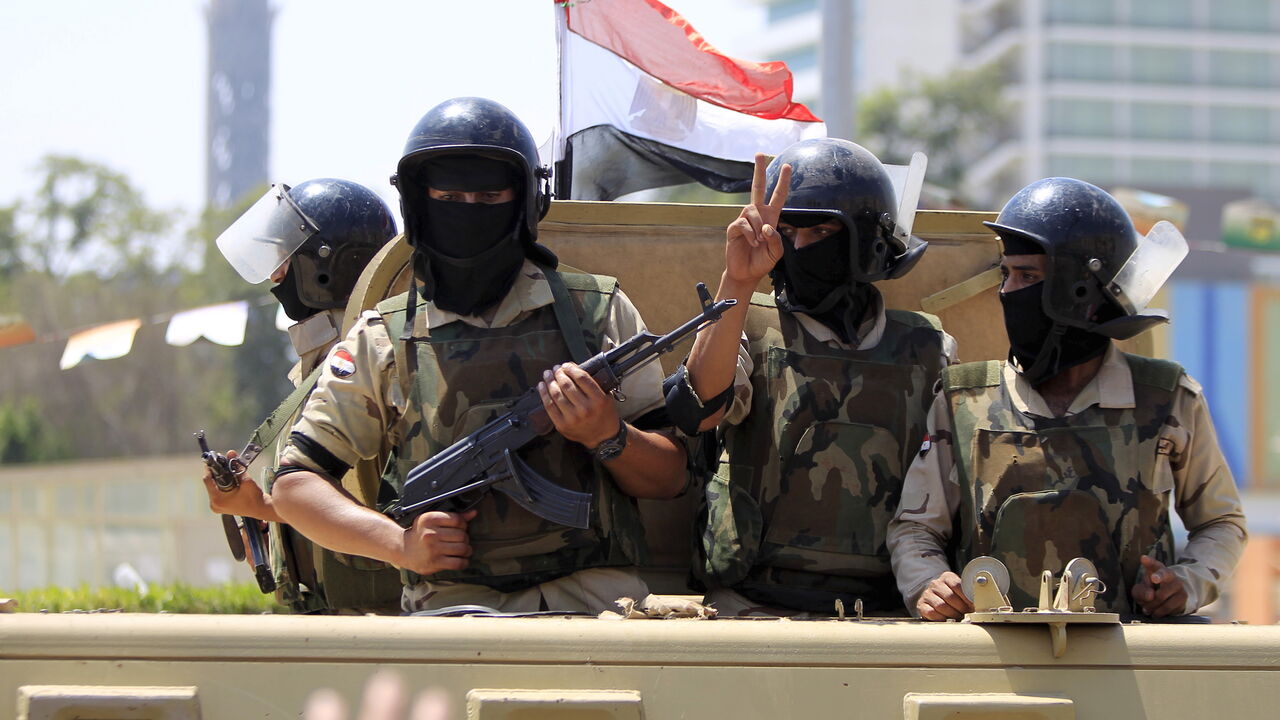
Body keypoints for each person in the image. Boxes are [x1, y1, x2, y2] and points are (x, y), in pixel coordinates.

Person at [270, 97, 687, 614]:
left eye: (490, 196)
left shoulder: (597, 314)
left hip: (597, 608)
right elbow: (294, 487)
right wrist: (398, 544)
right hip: (453, 617)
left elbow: (671, 478)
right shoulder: (384, 338)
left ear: (526, 203)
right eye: (449, 196)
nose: (467, 210)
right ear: (420, 207)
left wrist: (608, 436)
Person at [887, 177, 1248, 620]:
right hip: (992, 658)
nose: (1006, 292)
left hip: (1129, 657)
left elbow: (1221, 523)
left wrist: (1188, 583)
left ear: (1080, 289)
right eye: (1006, 274)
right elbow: (915, 529)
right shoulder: (964, 399)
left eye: (1027, 276)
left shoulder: (1168, 398)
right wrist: (927, 584)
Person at [673, 139, 955, 616]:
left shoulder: (929, 349)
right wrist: (737, 282)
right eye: (786, 231)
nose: (799, 247)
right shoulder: (748, 326)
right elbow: (696, 409)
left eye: (820, 230)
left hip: (882, 609)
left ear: (865, 241)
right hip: (749, 604)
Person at [201, 178, 402, 613]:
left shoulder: (369, 358)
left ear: (327, 267)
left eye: (285, 259)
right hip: (339, 613)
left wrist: (267, 506)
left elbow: (378, 501)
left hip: (376, 620)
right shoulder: (331, 357)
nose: (274, 276)